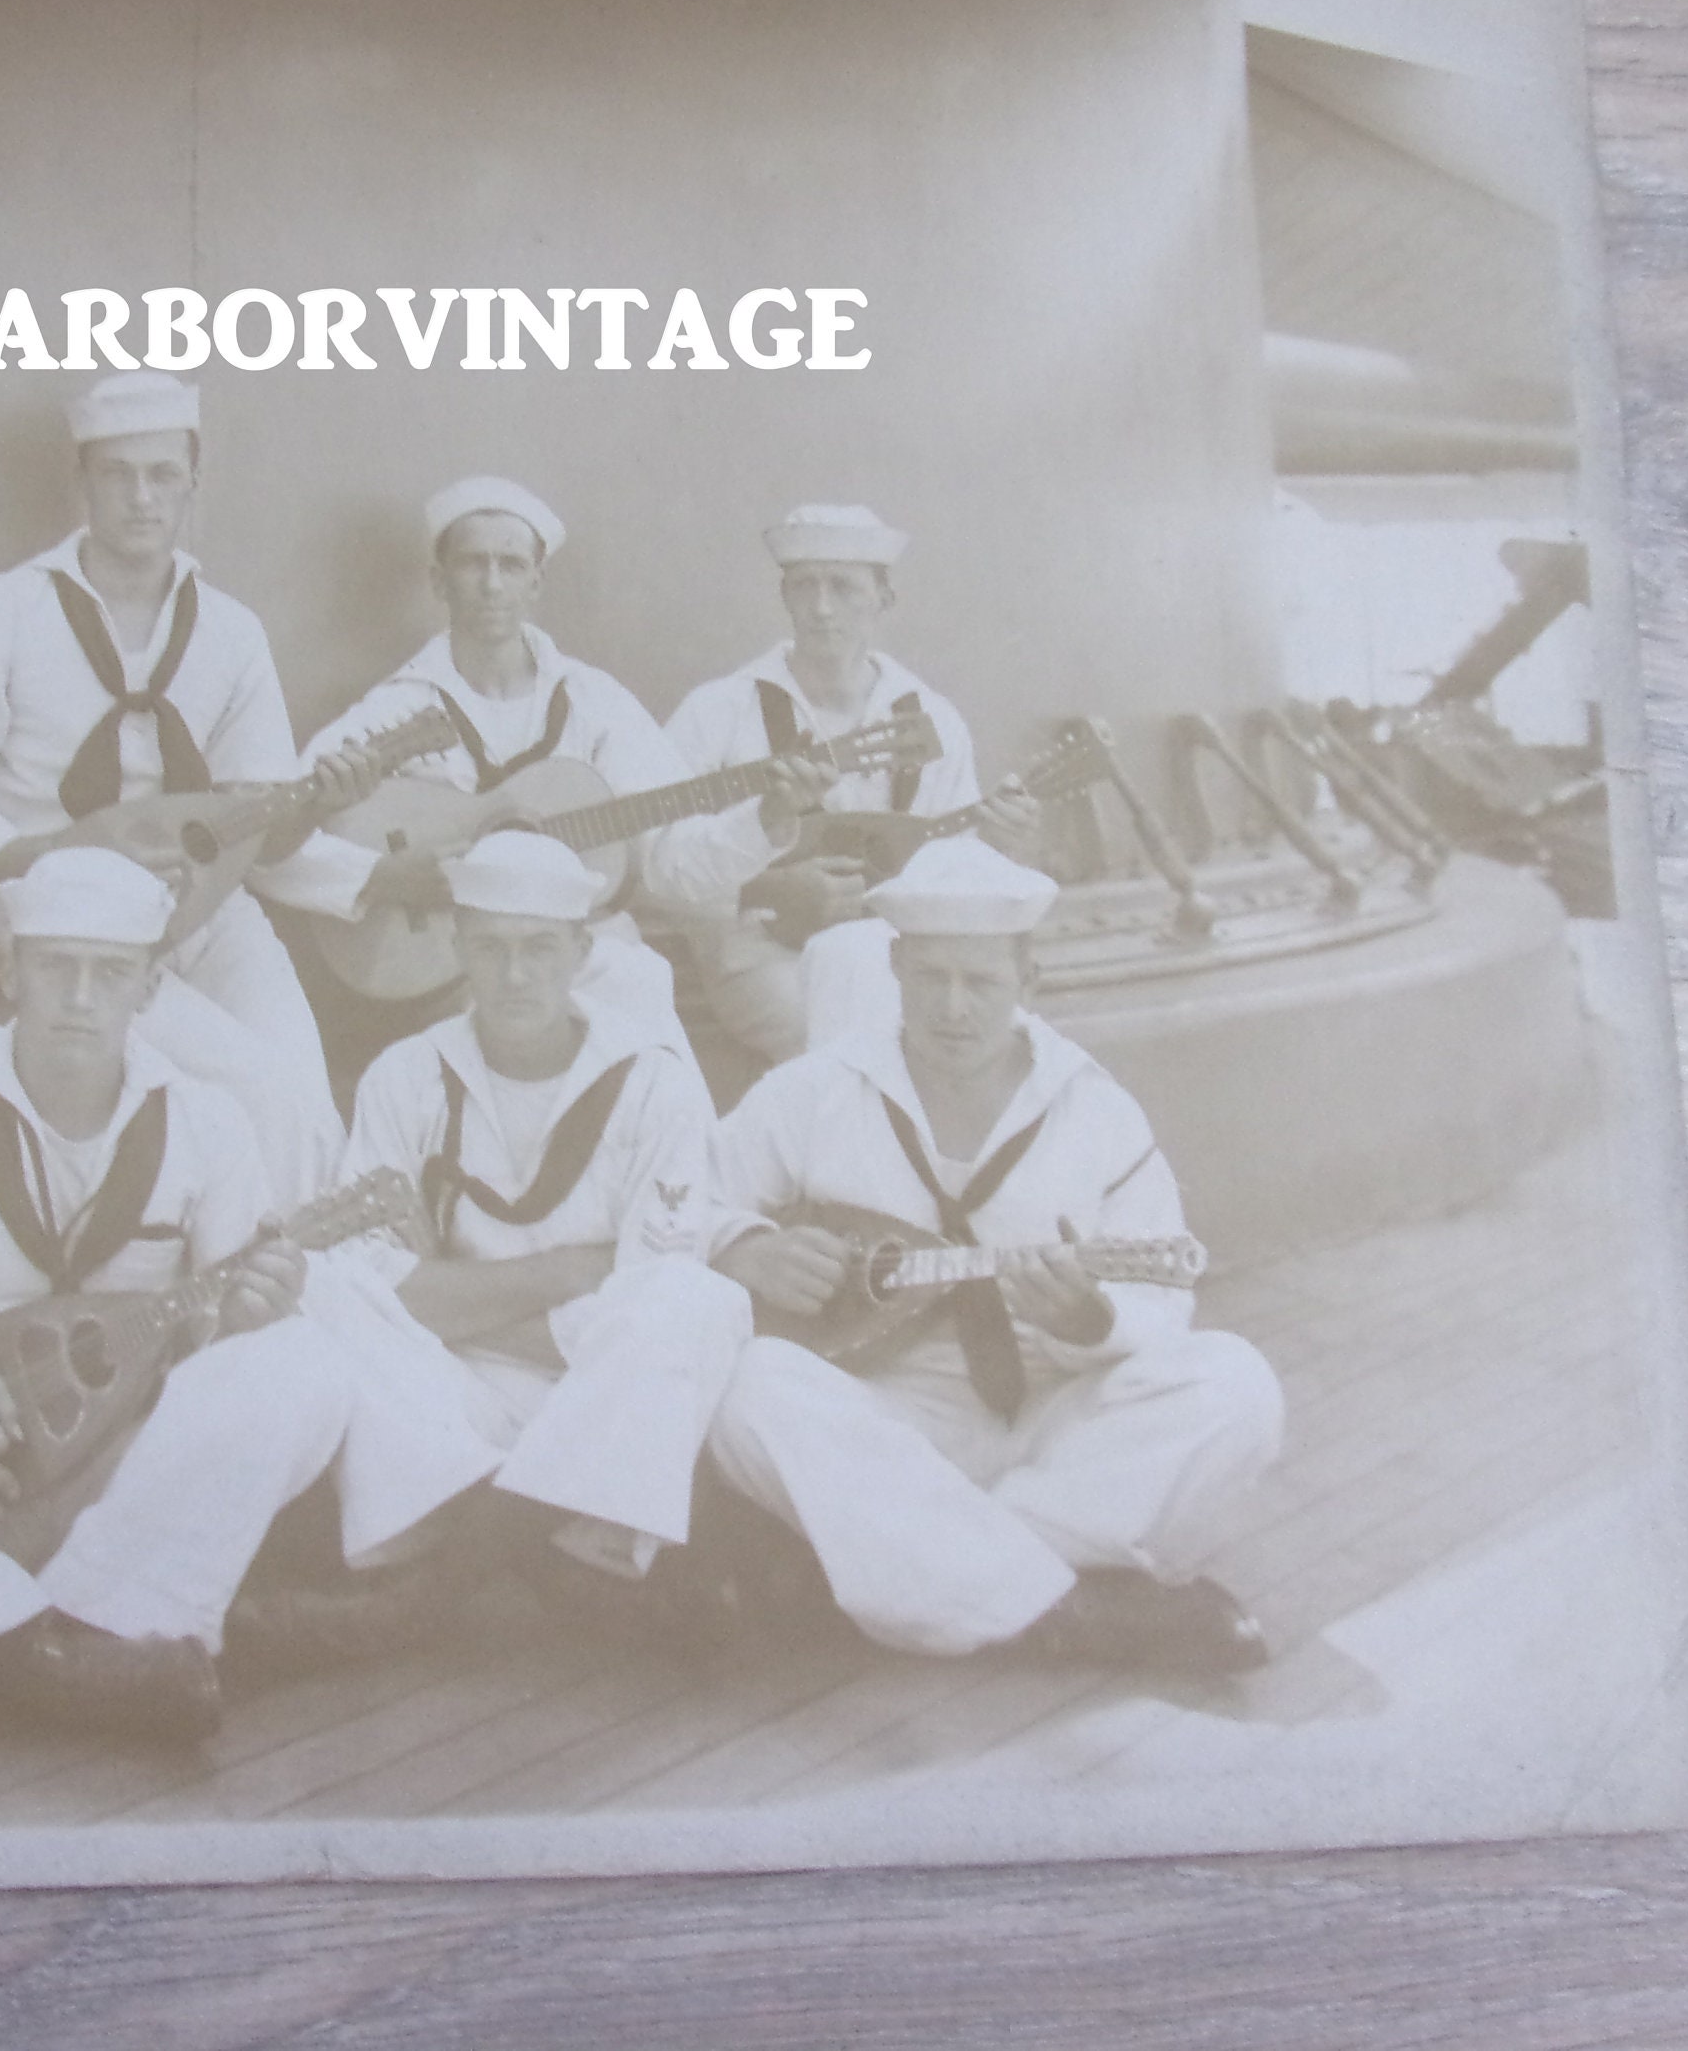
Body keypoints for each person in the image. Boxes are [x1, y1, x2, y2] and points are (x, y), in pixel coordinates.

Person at [0, 849, 475, 1744]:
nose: (80, 997)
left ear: (149, 988)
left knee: (298, 1363)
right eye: (54, 967)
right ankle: (51, 1659)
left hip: (117, 1479)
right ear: (11, 974)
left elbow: (220, 1355)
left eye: (109, 973)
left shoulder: (208, 1122)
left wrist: (247, 1312)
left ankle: (81, 1622)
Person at [701, 838, 1284, 1673]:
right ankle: (1070, 1609)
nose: (953, 1008)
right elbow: (684, 1203)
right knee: (749, 1389)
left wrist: (1092, 1317)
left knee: (1235, 1384)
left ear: (1030, 983)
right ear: (895, 967)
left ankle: (912, 1562)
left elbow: (1167, 1307)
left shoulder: (1096, 1111)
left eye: (983, 983)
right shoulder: (816, 1090)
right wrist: (747, 1248)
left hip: (1051, 1412)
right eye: (930, 978)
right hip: (886, 1416)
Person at [0, 370, 374, 1200]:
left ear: (193, 482)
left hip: (211, 910)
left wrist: (320, 804)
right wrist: (72, 857)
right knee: (259, 1101)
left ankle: (299, 1307)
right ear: (80, 483)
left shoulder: (230, 630)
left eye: (161, 475)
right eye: (116, 475)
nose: (140, 498)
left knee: (306, 1110)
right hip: (69, 927)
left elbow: (261, 821)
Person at [288, 831, 760, 1627]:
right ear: (458, 949)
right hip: (458, 1393)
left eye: (539, 949)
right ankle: (554, 1547)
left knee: (696, 1300)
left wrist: (449, 1302)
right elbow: (367, 1279)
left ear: (580, 951)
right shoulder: (405, 1076)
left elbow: (650, 1295)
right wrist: (562, 1275)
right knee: (320, 1285)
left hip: (606, 1391)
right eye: (492, 948)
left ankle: (445, 1581)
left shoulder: (653, 1083)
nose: (514, 975)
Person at [281, 475, 829, 1062]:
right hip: (462, 969)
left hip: (589, 952)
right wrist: (380, 879)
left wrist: (767, 816)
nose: (492, 584)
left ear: (535, 582)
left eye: (511, 565)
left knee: (640, 1008)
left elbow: (673, 862)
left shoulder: (594, 702)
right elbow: (272, 843)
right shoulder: (396, 708)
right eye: (472, 564)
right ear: (440, 582)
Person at [658, 503, 1040, 1067]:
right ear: (784, 596)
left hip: (898, 952)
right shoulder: (717, 712)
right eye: (804, 586)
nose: (821, 608)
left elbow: (950, 869)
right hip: (763, 955)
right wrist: (764, 889)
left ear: (885, 599)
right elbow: (663, 869)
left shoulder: (929, 718)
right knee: (856, 1044)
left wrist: (997, 849)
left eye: (843, 587)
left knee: (993, 1036)